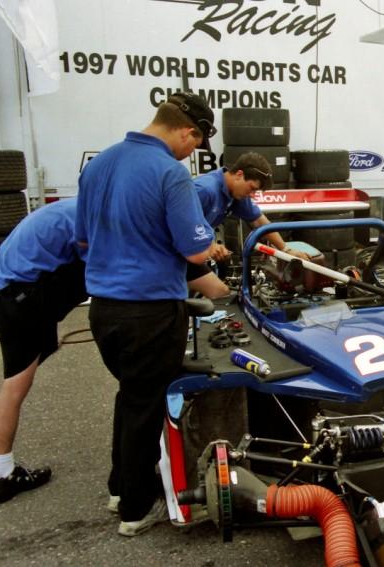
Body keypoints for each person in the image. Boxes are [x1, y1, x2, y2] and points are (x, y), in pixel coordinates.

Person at [75, 92, 216, 536]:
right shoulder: (169, 173)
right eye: (195, 143)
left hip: (104, 311)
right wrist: (211, 246)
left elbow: (81, 241)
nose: (192, 152)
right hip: (150, 312)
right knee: (146, 406)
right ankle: (136, 510)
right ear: (187, 131)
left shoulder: (98, 164)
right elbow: (195, 251)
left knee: (131, 397)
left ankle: (120, 486)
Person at [0, 199, 88, 504]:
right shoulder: (87, 220)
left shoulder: (77, 206)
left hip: (14, 284)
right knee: (16, 385)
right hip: (19, 292)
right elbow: (103, 267)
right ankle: (1, 474)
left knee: (35, 359)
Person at [187, 152, 309, 299]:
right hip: (168, 251)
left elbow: (261, 222)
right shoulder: (205, 190)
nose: (253, 195)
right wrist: (209, 244)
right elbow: (181, 222)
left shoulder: (235, 193)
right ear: (239, 174)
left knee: (220, 292)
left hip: (188, 252)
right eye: (252, 188)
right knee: (212, 293)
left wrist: (286, 249)